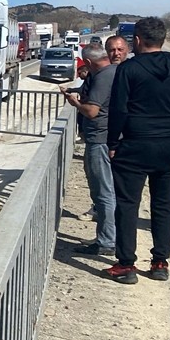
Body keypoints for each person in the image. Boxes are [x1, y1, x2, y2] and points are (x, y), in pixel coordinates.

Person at [104, 17, 170, 284]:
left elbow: (119, 110)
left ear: (138, 40)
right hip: (169, 147)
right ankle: (159, 262)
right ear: (163, 39)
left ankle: (126, 265)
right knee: (164, 206)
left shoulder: (129, 70)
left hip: (135, 145)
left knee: (127, 205)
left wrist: (112, 144)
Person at [61, 42, 116, 257]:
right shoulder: (115, 71)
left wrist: (74, 102)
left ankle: (106, 241)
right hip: (107, 138)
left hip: (99, 139)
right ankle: (109, 238)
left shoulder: (103, 77)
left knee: (103, 192)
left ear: (90, 62)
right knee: (106, 191)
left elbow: (92, 111)